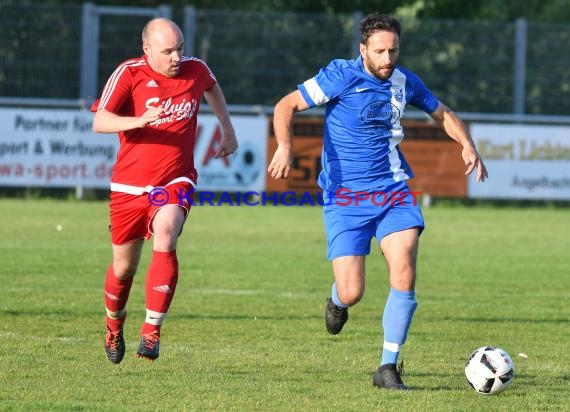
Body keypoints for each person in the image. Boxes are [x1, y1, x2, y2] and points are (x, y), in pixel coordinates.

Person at [268, 13, 487, 390]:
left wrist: (467, 144)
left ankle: (387, 367)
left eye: (394, 50)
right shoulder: (340, 76)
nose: (388, 59)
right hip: (345, 198)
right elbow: (285, 106)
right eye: (380, 51)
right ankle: (338, 300)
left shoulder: (405, 81)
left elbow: (442, 113)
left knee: (404, 269)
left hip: (393, 191)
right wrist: (285, 147)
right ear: (363, 49)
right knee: (352, 291)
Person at [92, 17, 238, 364]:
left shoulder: (195, 69)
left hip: (175, 179)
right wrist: (138, 121)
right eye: (168, 50)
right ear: (147, 50)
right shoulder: (129, 73)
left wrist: (227, 129)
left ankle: (152, 331)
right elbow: (100, 121)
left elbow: (212, 87)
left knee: (167, 233)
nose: (176, 57)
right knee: (124, 269)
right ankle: (114, 325)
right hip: (129, 187)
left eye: (180, 48)